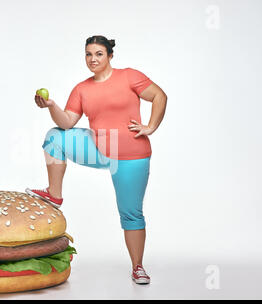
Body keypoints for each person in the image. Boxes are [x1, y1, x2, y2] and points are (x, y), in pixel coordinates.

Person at [26, 35, 167, 285]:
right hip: (100, 148)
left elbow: (159, 96)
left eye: (99, 54)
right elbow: (67, 122)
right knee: (55, 137)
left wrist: (151, 126)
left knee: (131, 214)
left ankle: (138, 267)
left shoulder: (129, 76)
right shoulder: (82, 88)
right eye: (89, 54)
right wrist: (50, 105)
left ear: (110, 56)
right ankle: (55, 193)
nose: (93, 59)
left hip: (132, 155)